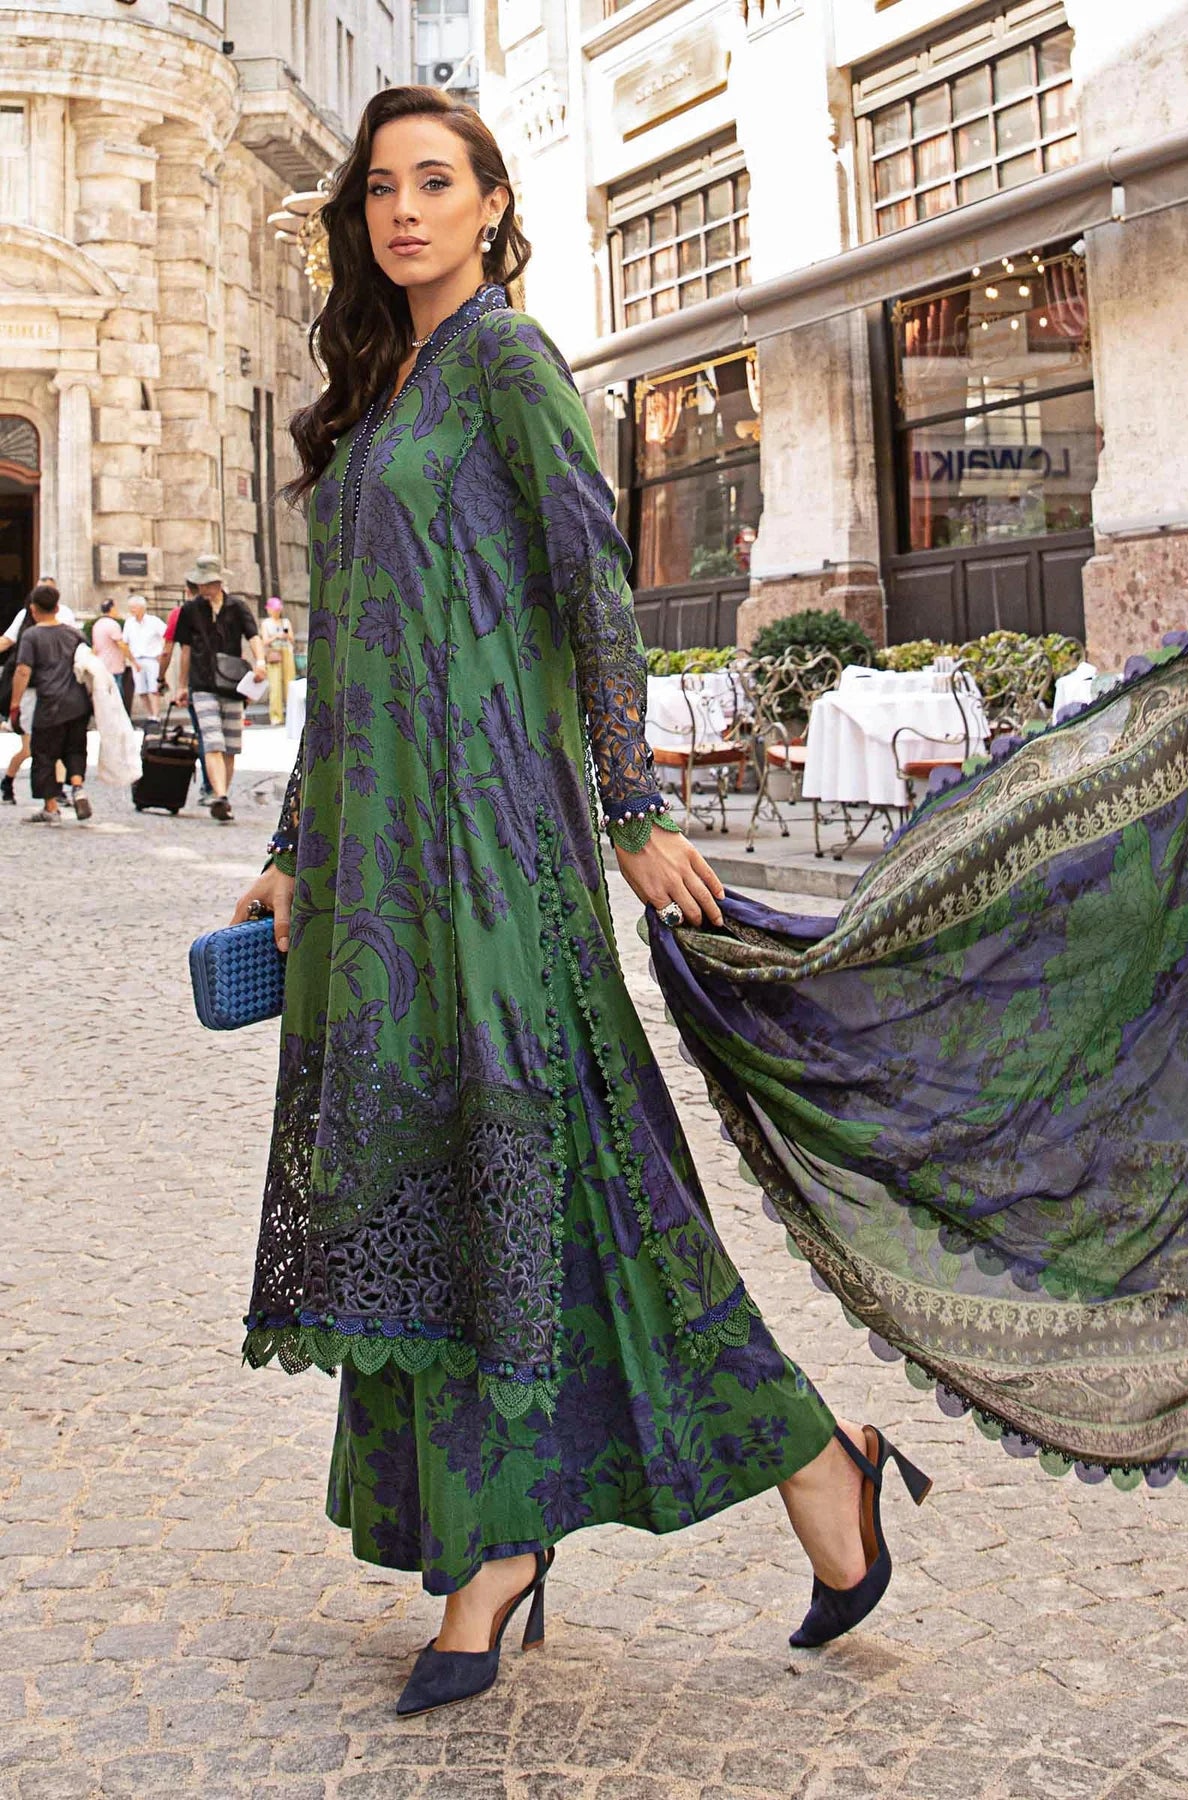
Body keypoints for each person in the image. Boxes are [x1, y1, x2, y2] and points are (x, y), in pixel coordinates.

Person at [227, 86, 910, 1722]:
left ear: (490, 205)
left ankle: (510, 1548)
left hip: (494, 856)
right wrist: (297, 843)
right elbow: (347, 649)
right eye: (380, 188)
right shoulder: (379, 395)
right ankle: (808, 1469)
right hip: (380, 878)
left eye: (435, 182)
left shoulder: (511, 364)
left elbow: (595, 588)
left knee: (547, 1176)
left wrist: (635, 806)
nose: (403, 209)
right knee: (459, 1186)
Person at [173, 554, 267, 821]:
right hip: (202, 683)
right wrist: (181, 685)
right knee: (212, 741)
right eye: (199, 583)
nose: (202, 588)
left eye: (206, 583)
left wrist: (260, 662)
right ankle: (221, 796)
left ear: (218, 582)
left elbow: (253, 636)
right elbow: (185, 650)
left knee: (230, 746)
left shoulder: (237, 607)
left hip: (232, 685)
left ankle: (222, 794)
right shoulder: (190, 610)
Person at [8, 582, 91, 823]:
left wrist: (15, 703)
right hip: (78, 703)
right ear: (57, 608)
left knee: (44, 754)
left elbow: (23, 671)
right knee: (75, 748)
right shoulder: (74, 634)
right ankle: (78, 787)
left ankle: (51, 807)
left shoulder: (31, 635)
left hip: (50, 703)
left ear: (33, 609)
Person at [0, 579, 73, 804]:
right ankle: (8, 781)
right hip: (31, 693)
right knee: (29, 748)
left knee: (56, 744)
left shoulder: (65, 617)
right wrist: (15, 703)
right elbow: (8, 644)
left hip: (55, 691)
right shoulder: (25, 620)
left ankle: (56, 792)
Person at [122, 594, 166, 722]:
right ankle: (150, 713)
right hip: (137, 659)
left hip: (152, 658)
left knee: (154, 688)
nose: (132, 610)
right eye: (130, 607)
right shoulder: (129, 623)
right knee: (141, 690)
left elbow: (166, 634)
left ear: (142, 608)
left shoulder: (154, 621)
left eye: (134, 607)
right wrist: (132, 660)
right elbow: (125, 642)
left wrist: (162, 652)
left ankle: (156, 715)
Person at [91, 599, 137, 715]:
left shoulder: (97, 625)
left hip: (102, 666)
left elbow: (95, 647)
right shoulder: (112, 625)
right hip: (114, 666)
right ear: (111, 609)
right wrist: (133, 660)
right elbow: (121, 644)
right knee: (117, 697)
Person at [260, 597, 296, 727]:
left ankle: (293, 716)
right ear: (269, 610)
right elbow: (264, 641)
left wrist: (286, 635)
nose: (276, 611)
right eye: (274, 609)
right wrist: (276, 636)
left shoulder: (285, 622)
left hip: (287, 652)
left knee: (290, 684)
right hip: (274, 654)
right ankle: (276, 716)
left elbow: (292, 638)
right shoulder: (266, 623)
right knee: (275, 686)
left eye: (278, 609)